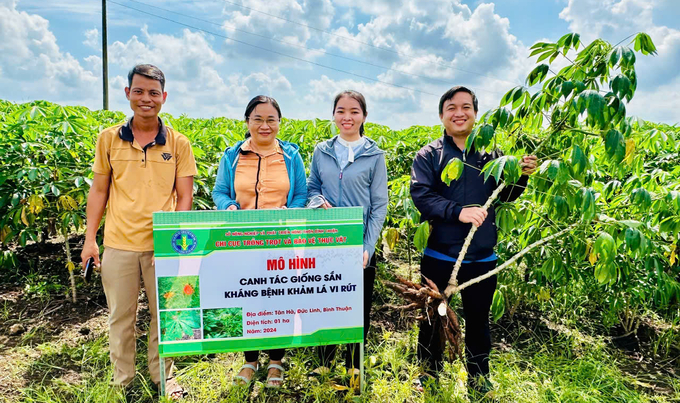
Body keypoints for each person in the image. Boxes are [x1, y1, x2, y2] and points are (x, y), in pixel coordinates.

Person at [410, 86, 537, 395]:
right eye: (452, 107)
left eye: (466, 107)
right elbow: (422, 196)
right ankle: (428, 375)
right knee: (433, 320)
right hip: (440, 255)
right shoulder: (429, 155)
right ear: (441, 115)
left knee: (479, 322)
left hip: (481, 258)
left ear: (476, 114)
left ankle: (479, 379)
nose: (459, 112)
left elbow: (503, 196)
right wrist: (458, 212)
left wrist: (521, 176)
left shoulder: (492, 155)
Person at [81, 64, 197, 400]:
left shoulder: (178, 143)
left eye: (153, 92)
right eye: (139, 91)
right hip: (119, 242)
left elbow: (185, 195)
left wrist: (177, 243)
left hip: (163, 244)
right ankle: (123, 380)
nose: (146, 98)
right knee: (120, 316)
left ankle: (164, 376)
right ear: (128, 93)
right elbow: (99, 191)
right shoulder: (108, 139)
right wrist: (91, 240)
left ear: (164, 97)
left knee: (168, 315)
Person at [212, 95, 307, 388]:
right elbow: (220, 191)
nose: (264, 125)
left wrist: (289, 212)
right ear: (247, 122)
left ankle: (276, 361)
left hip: (281, 239)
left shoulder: (291, 156)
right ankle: (250, 360)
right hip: (243, 240)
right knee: (246, 298)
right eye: (258, 119)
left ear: (279, 123)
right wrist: (228, 206)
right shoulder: (232, 155)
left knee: (281, 297)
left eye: (271, 119)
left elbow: (301, 194)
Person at [306, 90, 388, 383]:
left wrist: (368, 246)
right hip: (326, 243)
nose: (347, 117)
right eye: (341, 111)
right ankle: (324, 363)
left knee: (357, 307)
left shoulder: (375, 155)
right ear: (334, 115)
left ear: (364, 116)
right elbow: (312, 186)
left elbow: (379, 206)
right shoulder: (322, 151)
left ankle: (354, 365)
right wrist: (316, 201)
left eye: (354, 111)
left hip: (359, 246)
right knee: (324, 302)